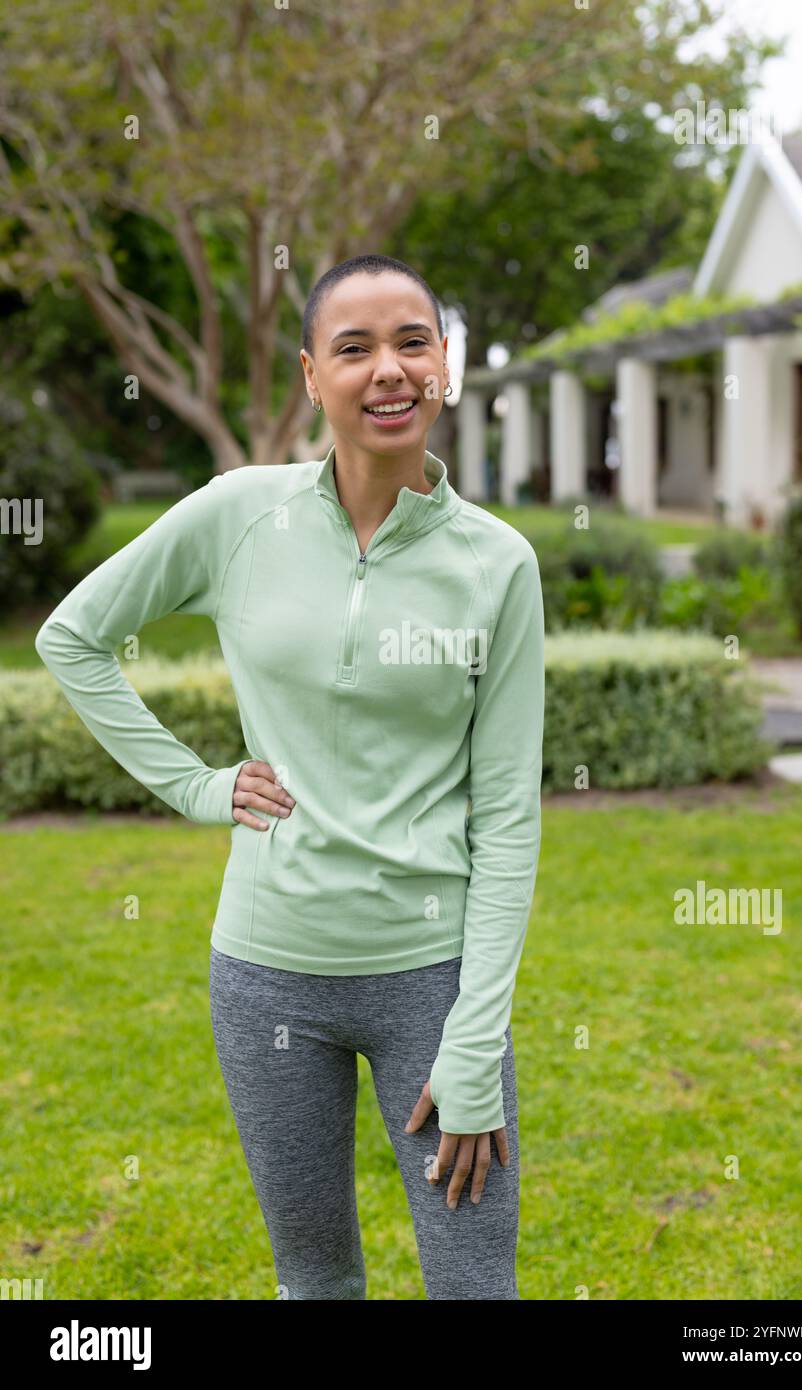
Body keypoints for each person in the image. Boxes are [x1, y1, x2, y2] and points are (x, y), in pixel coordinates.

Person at [34, 253, 546, 1300]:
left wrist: (474, 1037)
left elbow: (505, 814)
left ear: (445, 365)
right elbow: (73, 636)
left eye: (412, 341)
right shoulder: (240, 515)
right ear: (312, 377)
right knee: (314, 1282)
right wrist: (196, 785)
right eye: (354, 348)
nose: (388, 369)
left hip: (432, 980)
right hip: (267, 973)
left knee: (473, 1283)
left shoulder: (498, 564)